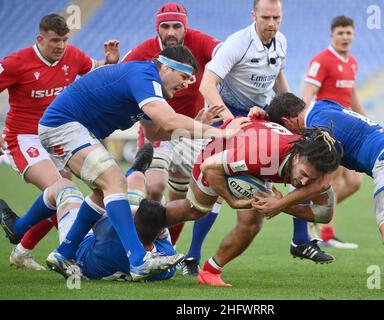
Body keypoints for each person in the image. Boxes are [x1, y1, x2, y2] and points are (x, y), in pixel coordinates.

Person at [0, 45, 248, 282]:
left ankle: (63, 253)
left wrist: (197, 124)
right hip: (63, 125)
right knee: (115, 180)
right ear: (164, 67)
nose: (185, 84)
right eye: (183, 76)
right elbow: (170, 121)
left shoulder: (150, 87)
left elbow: (156, 134)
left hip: (74, 129)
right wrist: (221, 133)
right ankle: (138, 259)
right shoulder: (145, 75)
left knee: (102, 191)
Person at [183, 0, 334, 276]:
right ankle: (192, 256)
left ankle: (300, 240)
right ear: (253, 15)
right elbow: (207, 84)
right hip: (230, 117)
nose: (272, 24)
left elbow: (278, 78)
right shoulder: (237, 43)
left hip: (263, 115)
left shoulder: (281, 41)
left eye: (277, 18)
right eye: (266, 17)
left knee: (296, 163)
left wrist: (293, 110)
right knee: (214, 186)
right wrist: (229, 122)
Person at [251, 92, 384, 269]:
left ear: (287, 122)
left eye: (285, 130)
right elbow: (285, 105)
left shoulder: (318, 129)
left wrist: (280, 203)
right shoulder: (322, 105)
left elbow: (321, 183)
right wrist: (266, 113)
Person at [137, 117, 342, 286]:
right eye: (304, 174)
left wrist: (281, 204)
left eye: (311, 180)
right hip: (218, 154)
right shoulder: (262, 154)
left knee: (252, 224)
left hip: (258, 165)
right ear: (297, 157)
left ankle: (210, 273)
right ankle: (143, 227)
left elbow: (324, 214)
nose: (304, 182)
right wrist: (232, 200)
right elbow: (211, 167)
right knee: (195, 211)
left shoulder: (319, 169)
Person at [0, 13, 120, 270]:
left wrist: (108, 62)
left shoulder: (72, 56)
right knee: (63, 190)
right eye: (55, 40)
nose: (60, 46)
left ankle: (21, 245)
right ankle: (71, 255)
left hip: (57, 136)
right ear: (40, 39)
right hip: (24, 138)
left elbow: (94, 69)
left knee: (60, 196)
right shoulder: (15, 63)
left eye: (64, 40)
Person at [122, 2, 223, 247]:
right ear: (157, 28)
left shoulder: (198, 41)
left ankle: (168, 248)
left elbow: (225, 53)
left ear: (184, 28)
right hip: (157, 129)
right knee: (155, 188)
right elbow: (118, 73)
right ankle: (141, 244)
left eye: (176, 26)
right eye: (164, 26)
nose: (170, 32)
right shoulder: (144, 50)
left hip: (192, 129)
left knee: (185, 198)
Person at [301, 16, 364, 249]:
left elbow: (352, 95)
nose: (345, 37)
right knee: (334, 179)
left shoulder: (352, 63)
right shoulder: (322, 60)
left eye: (348, 33)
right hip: (328, 128)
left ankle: (316, 214)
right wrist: (302, 122)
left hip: (347, 126)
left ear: (354, 35)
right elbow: (308, 92)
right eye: (340, 33)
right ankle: (326, 233)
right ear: (332, 36)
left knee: (355, 181)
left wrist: (366, 119)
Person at [54, 169, 182, 281]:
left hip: (80, 252)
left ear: (130, 222)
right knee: (137, 177)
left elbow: (95, 216)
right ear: (159, 232)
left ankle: (41, 238)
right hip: (110, 258)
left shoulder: (112, 233)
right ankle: (135, 171)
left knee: (65, 187)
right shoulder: (166, 260)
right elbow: (160, 228)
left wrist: (131, 210)